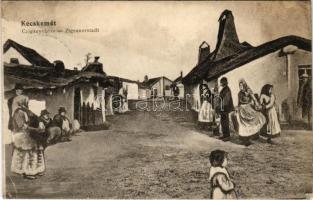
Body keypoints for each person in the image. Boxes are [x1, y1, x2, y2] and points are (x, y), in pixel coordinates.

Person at [10, 89, 45, 179]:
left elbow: (36, 117)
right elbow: (23, 127)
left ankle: (36, 169)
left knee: (36, 147)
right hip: (22, 135)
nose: (27, 103)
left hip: (28, 133)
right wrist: (37, 130)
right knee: (29, 150)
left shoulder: (25, 110)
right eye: (25, 101)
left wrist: (40, 121)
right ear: (21, 102)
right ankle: (28, 172)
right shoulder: (18, 112)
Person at [235, 79, 266, 146]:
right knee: (243, 125)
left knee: (253, 122)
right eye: (239, 86)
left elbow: (254, 99)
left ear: (244, 85)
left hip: (248, 108)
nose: (240, 87)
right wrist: (237, 108)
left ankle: (250, 138)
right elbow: (239, 103)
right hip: (241, 110)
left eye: (241, 85)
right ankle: (244, 139)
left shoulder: (249, 91)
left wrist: (257, 105)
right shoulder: (239, 93)